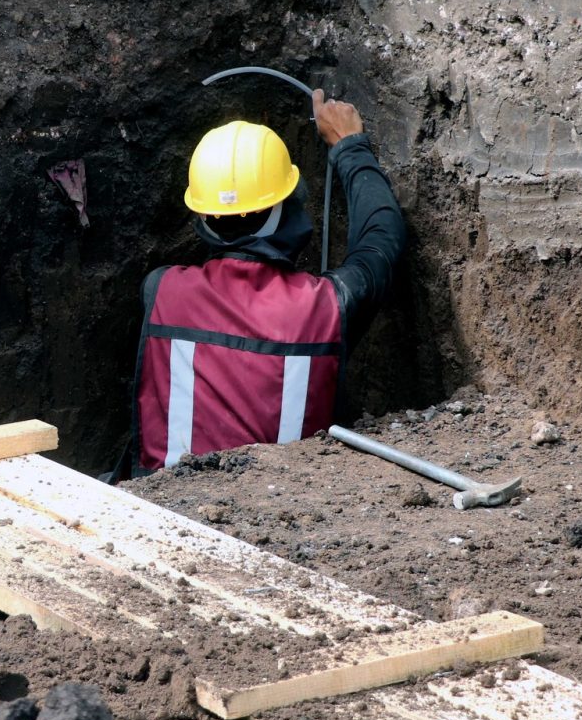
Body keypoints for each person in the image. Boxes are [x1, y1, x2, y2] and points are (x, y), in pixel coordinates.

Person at [131, 90, 407, 471]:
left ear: (203, 217)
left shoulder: (161, 291)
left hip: (161, 509)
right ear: (287, 205)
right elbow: (381, 239)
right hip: (288, 514)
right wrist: (349, 146)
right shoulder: (327, 307)